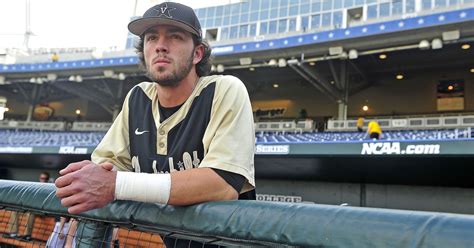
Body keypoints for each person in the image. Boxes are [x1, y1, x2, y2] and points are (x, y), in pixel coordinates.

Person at [55, 2, 255, 247]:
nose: (160, 46)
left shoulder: (223, 89)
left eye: (175, 36)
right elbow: (104, 170)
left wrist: (116, 185)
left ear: (197, 53)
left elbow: (223, 186)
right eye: (151, 38)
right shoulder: (138, 97)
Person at [3, 172, 50, 241]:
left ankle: (27, 236)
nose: (43, 180)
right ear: (39, 178)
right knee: (15, 210)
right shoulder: (37, 186)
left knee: (30, 213)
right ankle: (13, 233)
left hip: (42, 211)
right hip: (32, 208)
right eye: (41, 178)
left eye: (45, 178)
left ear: (48, 179)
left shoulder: (49, 188)